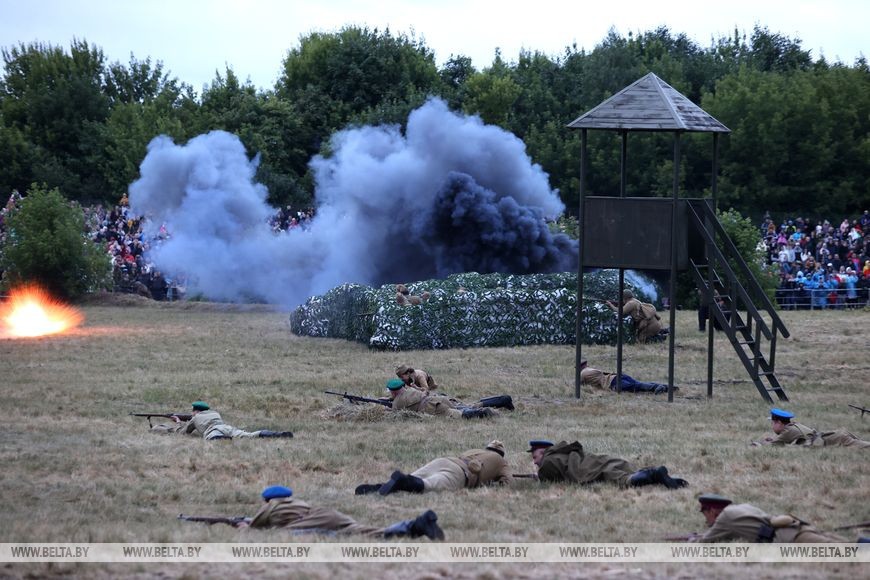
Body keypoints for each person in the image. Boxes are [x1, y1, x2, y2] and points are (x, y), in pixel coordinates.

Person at [232, 485, 444, 540]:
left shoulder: (270, 507)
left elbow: (254, 531)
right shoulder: (297, 502)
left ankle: (412, 527)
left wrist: (242, 526)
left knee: (357, 535)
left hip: (313, 525)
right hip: (327, 514)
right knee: (365, 531)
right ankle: (415, 525)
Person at [355, 440, 512, 495]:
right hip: (460, 474)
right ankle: (404, 481)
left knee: (414, 477)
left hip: (444, 460)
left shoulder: (475, 451)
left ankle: (381, 487)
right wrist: (494, 482)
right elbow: (508, 483)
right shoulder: (501, 461)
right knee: (428, 485)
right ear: (501, 453)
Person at [686, 493, 848, 543]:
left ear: (713, 510)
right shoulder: (742, 507)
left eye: (704, 512)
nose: (705, 518)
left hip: (791, 539)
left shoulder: (725, 518)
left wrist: (693, 539)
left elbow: (704, 542)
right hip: (799, 529)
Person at [528, 440, 688, 489]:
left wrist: (539, 476)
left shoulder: (548, 462)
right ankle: (658, 476)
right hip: (598, 459)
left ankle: (654, 474)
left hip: (592, 468)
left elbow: (548, 481)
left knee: (624, 481)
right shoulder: (561, 452)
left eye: (535, 457)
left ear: (543, 452)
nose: (534, 462)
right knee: (624, 470)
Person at [385, 379, 513, 417]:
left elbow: (397, 414)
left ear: (393, 392)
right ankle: (502, 400)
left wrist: (386, 409)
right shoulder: (412, 390)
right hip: (439, 399)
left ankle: (485, 414)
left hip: (434, 408)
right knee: (470, 405)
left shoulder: (397, 402)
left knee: (461, 415)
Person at [751, 408, 870, 448]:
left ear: (779, 422)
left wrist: (758, 443)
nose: (772, 426)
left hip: (835, 439)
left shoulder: (787, 431)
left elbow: (771, 447)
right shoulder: (793, 426)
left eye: (772, 423)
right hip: (836, 435)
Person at [176, 401, 294, 440]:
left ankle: (223, 440)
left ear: (195, 411)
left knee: (213, 437)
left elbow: (183, 432)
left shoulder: (195, 418)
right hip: (226, 427)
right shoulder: (215, 413)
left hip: (213, 430)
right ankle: (277, 434)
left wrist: (178, 421)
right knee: (249, 435)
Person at [579, 359, 673, 394]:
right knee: (638, 384)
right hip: (617, 376)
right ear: (586, 365)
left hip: (612, 383)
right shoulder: (592, 370)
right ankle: (665, 387)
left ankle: (658, 387)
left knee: (637, 387)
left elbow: (580, 385)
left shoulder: (582, 374)